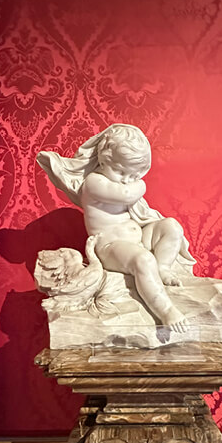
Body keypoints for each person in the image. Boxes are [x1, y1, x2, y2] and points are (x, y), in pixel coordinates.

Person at [37, 123, 195, 330]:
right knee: (143, 259)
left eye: (134, 175)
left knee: (171, 227)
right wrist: (140, 184)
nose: (127, 180)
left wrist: (131, 180)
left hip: (137, 240)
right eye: (121, 172)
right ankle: (166, 311)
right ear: (104, 158)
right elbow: (128, 194)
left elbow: (130, 194)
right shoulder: (94, 182)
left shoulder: (122, 181)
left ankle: (163, 267)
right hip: (110, 247)